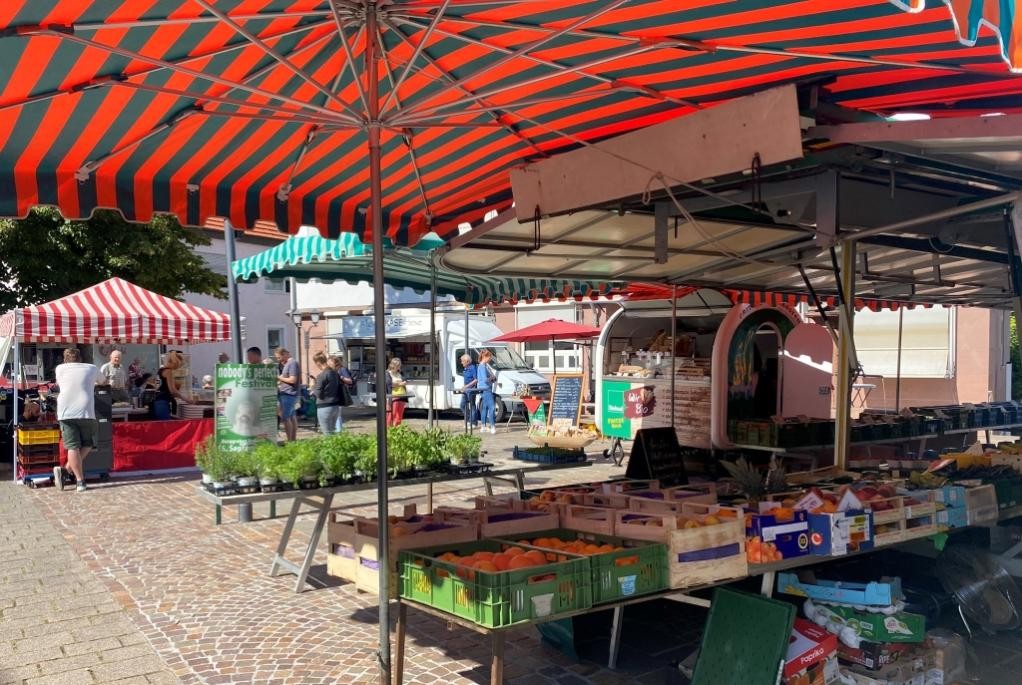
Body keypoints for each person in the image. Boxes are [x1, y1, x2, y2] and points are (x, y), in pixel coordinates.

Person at [53, 348, 99, 493]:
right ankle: (76, 477)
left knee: (73, 447)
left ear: (65, 359)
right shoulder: (91, 368)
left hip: (66, 411)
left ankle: (75, 478)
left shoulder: (60, 368)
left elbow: (60, 384)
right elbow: (104, 381)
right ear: (80, 358)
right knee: (88, 444)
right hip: (86, 410)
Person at [311, 351, 341, 435]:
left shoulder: (322, 375)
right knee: (332, 433)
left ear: (318, 363)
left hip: (324, 407)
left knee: (327, 434)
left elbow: (318, 394)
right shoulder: (335, 373)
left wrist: (313, 386)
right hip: (335, 406)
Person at [275, 347, 300, 442]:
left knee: (286, 418)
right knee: (292, 417)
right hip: (289, 394)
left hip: (288, 394)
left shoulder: (292, 363)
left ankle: (290, 441)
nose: (278, 360)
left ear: (285, 354)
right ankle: (292, 441)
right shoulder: (288, 364)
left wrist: (279, 378)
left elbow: (293, 379)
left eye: (279, 357)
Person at [154, 351, 188, 419]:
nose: (177, 367)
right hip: (164, 401)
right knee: (167, 425)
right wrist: (186, 399)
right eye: (178, 365)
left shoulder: (161, 370)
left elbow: (158, 385)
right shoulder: (169, 372)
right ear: (174, 363)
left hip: (158, 400)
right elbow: (172, 390)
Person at [328, 354, 354, 432]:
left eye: (329, 362)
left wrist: (341, 377)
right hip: (333, 394)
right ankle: (335, 429)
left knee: (337, 413)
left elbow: (350, 381)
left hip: (339, 394)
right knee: (334, 413)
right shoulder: (331, 371)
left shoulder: (342, 369)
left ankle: (339, 430)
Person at [476, 349, 498, 434]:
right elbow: (485, 380)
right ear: (485, 357)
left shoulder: (483, 366)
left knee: (485, 407)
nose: (490, 359)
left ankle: (483, 426)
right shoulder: (482, 366)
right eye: (489, 357)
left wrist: (491, 379)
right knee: (492, 407)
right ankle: (492, 426)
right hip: (486, 389)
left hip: (483, 388)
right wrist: (492, 378)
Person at [384, 357, 408, 427]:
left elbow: (405, 381)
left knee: (399, 414)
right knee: (391, 414)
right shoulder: (387, 373)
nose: (399, 367)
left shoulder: (400, 373)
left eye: (399, 365)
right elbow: (389, 384)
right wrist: (400, 383)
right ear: (392, 365)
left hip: (402, 396)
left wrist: (399, 383)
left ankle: (397, 429)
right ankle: (389, 429)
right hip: (393, 396)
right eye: (397, 365)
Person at [460, 353, 478, 430]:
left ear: (467, 361)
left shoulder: (473, 368)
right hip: (465, 390)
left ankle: (473, 422)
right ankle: (468, 419)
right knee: (462, 405)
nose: (461, 362)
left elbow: (476, 380)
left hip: (471, 390)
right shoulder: (465, 369)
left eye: (462, 361)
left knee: (472, 405)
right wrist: (463, 387)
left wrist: (467, 386)